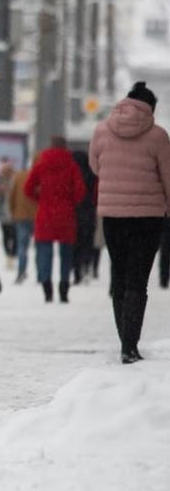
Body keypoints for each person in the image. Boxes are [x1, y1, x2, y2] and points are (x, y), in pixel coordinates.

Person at [88, 81, 170, 364]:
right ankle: (129, 346)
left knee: (120, 276)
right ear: (150, 108)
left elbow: (95, 165)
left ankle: (124, 339)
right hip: (147, 217)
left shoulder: (101, 130)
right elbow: (167, 175)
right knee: (138, 280)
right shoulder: (158, 136)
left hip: (113, 215)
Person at [24, 136, 86, 303]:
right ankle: (64, 287)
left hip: (45, 214)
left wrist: (41, 199)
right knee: (66, 253)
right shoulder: (72, 166)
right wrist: (69, 201)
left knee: (45, 252)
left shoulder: (41, 165)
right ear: (65, 147)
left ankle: (47, 288)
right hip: (66, 214)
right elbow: (80, 191)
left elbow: (28, 188)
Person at [71, 149, 101, 284]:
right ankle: (87, 265)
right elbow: (96, 193)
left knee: (76, 243)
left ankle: (76, 270)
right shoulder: (92, 174)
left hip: (75, 212)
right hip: (89, 212)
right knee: (88, 242)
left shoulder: (73, 174)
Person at [9, 161, 38, 284]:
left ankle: (21, 271)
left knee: (22, 246)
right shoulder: (42, 177)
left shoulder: (20, 176)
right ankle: (41, 273)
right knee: (41, 247)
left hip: (21, 215)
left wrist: (13, 211)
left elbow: (12, 195)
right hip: (38, 216)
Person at [0, 157, 18, 267]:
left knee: (15, 236)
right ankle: (8, 256)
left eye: (8, 169)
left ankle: (13, 255)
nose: (6, 171)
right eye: (4, 169)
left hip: (15, 214)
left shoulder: (16, 180)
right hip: (3, 214)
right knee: (6, 236)